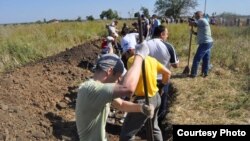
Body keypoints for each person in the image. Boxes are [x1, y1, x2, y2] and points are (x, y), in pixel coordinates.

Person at [76, 42, 153, 141]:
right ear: (109, 71)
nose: (118, 81)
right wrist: (139, 57)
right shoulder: (92, 89)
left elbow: (121, 104)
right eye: (118, 77)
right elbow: (127, 88)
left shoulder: (99, 90)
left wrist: (141, 108)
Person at [120, 41, 171, 141]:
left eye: (125, 53)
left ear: (130, 50)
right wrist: (161, 85)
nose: (125, 56)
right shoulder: (152, 60)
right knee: (154, 127)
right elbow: (168, 73)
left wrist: (127, 97)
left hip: (144, 101)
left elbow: (132, 81)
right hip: (156, 98)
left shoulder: (131, 60)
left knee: (126, 134)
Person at [147, 25, 179, 124]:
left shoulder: (144, 44)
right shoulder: (168, 46)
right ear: (162, 34)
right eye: (167, 34)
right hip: (163, 79)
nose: (167, 36)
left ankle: (148, 122)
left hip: (148, 79)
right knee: (162, 102)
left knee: (148, 101)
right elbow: (175, 65)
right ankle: (158, 124)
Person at [189, 11, 213, 78]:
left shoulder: (201, 20)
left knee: (197, 58)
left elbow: (193, 24)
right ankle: (205, 73)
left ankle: (193, 74)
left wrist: (190, 20)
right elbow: (201, 33)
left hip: (205, 43)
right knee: (206, 58)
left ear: (200, 15)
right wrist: (193, 32)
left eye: (196, 15)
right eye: (196, 15)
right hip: (208, 42)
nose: (196, 16)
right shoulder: (202, 21)